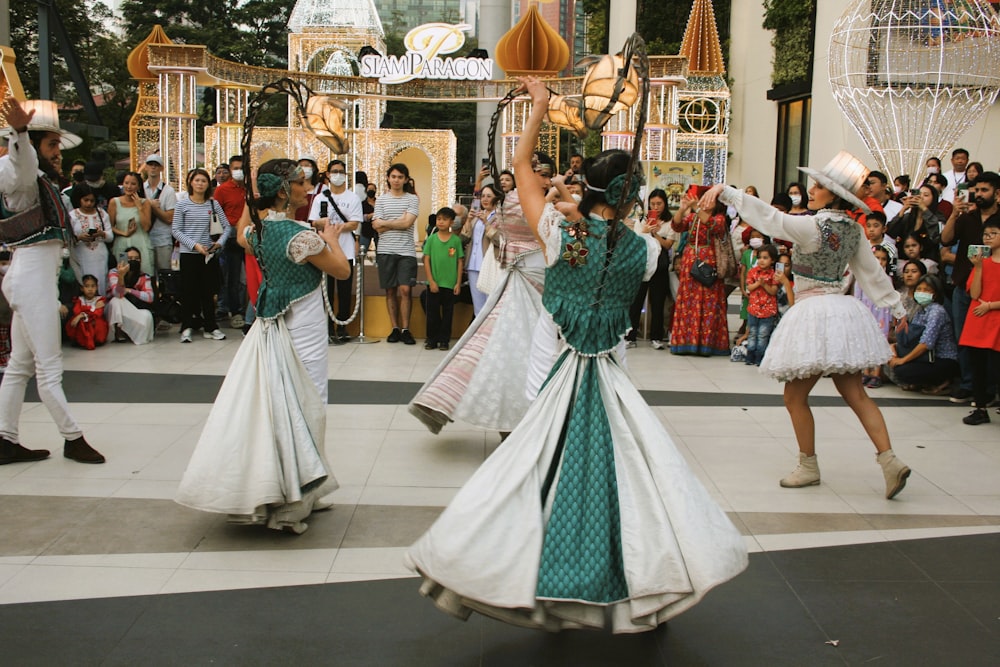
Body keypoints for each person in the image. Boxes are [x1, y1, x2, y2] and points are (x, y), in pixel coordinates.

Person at [406, 76, 747, 633]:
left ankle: (528, 573)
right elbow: (628, 241)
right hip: (611, 373)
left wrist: (539, 108)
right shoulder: (645, 254)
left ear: (587, 187)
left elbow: (520, 166)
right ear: (632, 195)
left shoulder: (561, 234)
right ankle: (631, 579)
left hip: (555, 365)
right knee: (624, 476)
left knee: (541, 467)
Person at [701, 151, 913, 499]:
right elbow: (872, 275)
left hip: (814, 314)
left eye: (818, 186)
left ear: (834, 195)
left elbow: (771, 219)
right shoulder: (856, 231)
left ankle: (808, 465)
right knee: (856, 394)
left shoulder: (812, 226)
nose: (811, 190)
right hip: (842, 314)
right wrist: (898, 309)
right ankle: (889, 460)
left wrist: (729, 192)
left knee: (794, 397)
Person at [176, 158, 350, 533]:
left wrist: (254, 207)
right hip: (302, 327)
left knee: (282, 402)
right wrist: (333, 240)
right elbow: (342, 270)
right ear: (286, 191)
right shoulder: (301, 236)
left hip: (272, 323)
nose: (308, 188)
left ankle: (305, 487)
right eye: (302, 183)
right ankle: (295, 499)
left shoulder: (258, 232)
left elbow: (241, 237)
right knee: (309, 402)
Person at [408, 158, 549, 435]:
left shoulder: (527, 205)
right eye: (540, 175)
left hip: (532, 285)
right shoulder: (525, 206)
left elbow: (510, 242)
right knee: (506, 350)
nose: (544, 180)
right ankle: (514, 422)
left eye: (546, 175)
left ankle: (520, 421)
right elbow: (507, 242)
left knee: (498, 347)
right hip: (520, 285)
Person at [0, 97, 104, 465]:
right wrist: (21, 133)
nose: (57, 153)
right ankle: (72, 437)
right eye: (52, 145)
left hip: (29, 277)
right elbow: (21, 164)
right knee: (48, 368)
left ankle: (5, 438)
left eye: (58, 146)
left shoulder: (40, 181)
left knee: (20, 367)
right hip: (31, 279)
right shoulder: (19, 176)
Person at [940, 171, 1000, 404]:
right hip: (965, 284)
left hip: (994, 290)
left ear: (997, 194)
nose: (979, 194)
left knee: (994, 344)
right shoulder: (967, 217)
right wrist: (955, 214)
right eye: (977, 190)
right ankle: (968, 385)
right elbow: (945, 240)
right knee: (964, 338)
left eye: (985, 190)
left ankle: (989, 389)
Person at [172, 168, 230, 342]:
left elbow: (227, 227)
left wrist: (219, 243)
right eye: (197, 180)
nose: (200, 184)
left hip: (209, 255)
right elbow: (175, 230)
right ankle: (187, 326)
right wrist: (194, 245)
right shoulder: (182, 204)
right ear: (191, 182)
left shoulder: (213, 204)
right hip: (189, 254)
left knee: (209, 292)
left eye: (203, 181)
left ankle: (211, 326)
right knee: (189, 291)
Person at [669, 192, 730, 356]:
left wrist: (696, 208)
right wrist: (682, 209)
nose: (704, 203)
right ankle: (686, 342)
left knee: (708, 302)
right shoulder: (693, 217)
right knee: (688, 302)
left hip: (708, 264)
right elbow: (676, 226)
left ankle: (706, 344)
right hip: (690, 262)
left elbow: (713, 226)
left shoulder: (719, 218)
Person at [308, 159, 362, 344]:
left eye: (341, 171)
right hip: (324, 251)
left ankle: (343, 326)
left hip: (345, 251)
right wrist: (328, 225)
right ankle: (328, 327)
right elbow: (314, 222)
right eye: (334, 171)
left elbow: (355, 223)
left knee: (345, 291)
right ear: (328, 175)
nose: (337, 175)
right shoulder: (320, 197)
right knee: (326, 291)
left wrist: (333, 227)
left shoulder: (352, 198)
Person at [884, 274, 958, 393]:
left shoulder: (936, 311)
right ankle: (921, 383)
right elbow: (912, 337)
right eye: (919, 289)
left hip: (941, 359)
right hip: (925, 357)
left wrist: (903, 360)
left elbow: (926, 343)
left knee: (901, 369)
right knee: (888, 359)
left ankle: (941, 381)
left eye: (927, 290)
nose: (922, 292)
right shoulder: (920, 310)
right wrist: (894, 348)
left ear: (935, 293)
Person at [957, 222, 1000, 425]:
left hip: (994, 315)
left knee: (995, 366)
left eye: (994, 233)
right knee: (978, 366)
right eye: (985, 234)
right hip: (979, 318)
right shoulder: (981, 263)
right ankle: (980, 408)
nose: (988, 237)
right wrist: (979, 267)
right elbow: (974, 293)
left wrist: (991, 305)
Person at [372, 163, 419, 344]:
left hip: (406, 251)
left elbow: (407, 223)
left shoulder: (412, 199)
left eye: (400, 177)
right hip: (385, 250)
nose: (396, 180)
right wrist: (397, 221)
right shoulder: (381, 200)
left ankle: (406, 328)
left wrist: (386, 223)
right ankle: (395, 328)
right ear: (388, 178)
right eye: (393, 176)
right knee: (390, 290)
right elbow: (376, 226)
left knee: (405, 289)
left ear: (406, 179)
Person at [626, 189, 673, 349]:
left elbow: (668, 245)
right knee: (636, 300)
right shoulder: (641, 219)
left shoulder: (669, 222)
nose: (656, 207)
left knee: (658, 301)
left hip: (660, 264)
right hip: (643, 262)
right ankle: (630, 336)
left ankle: (656, 336)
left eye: (659, 203)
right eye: (653, 204)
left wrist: (655, 234)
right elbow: (636, 239)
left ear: (665, 204)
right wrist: (646, 230)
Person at [422, 207, 464, 350]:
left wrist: (458, 283)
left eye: (445, 219)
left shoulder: (456, 241)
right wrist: (431, 280)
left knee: (448, 314)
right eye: (439, 219)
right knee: (432, 314)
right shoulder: (432, 239)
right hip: (434, 283)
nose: (441, 222)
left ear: (452, 222)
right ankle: (431, 339)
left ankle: (444, 340)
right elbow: (426, 260)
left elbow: (459, 262)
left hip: (450, 284)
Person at [462, 184, 501, 315]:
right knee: (478, 307)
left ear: (496, 198)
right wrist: (468, 220)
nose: (485, 199)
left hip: (490, 264)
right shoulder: (477, 215)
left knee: (491, 304)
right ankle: (480, 335)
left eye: (489, 196)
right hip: (473, 264)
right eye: (483, 196)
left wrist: (486, 223)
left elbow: (499, 240)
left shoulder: (500, 216)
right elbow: (464, 238)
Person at [68, 183, 113, 295]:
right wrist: (79, 237)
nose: (89, 203)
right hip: (81, 256)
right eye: (86, 200)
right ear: (79, 199)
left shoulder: (102, 214)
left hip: (100, 255)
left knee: (101, 282)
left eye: (92, 200)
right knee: (84, 283)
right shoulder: (72, 216)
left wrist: (101, 234)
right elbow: (67, 239)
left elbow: (110, 237)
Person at [105, 247, 155, 345]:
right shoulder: (114, 272)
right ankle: (118, 332)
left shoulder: (144, 276)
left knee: (147, 315)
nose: (133, 261)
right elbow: (118, 294)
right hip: (112, 308)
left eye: (136, 258)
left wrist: (130, 291)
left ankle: (131, 333)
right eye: (130, 258)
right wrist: (121, 276)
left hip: (132, 307)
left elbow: (150, 297)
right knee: (116, 301)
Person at [109, 172, 154, 276]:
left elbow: (146, 227)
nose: (129, 187)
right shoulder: (114, 202)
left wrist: (139, 207)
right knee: (123, 275)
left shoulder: (145, 203)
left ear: (138, 186)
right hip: (122, 244)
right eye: (126, 183)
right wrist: (123, 233)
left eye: (133, 184)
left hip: (141, 243)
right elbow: (109, 227)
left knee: (143, 276)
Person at [141, 154, 177, 277]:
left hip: (162, 238)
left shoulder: (168, 191)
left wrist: (152, 207)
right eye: (150, 165)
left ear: (161, 168)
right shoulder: (140, 189)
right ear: (146, 167)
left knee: (164, 274)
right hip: (144, 238)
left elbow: (169, 218)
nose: (153, 168)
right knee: (146, 274)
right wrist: (149, 203)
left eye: (156, 165)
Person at [745, 243, 780, 366]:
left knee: (763, 334)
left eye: (765, 258)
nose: (761, 260)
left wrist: (765, 285)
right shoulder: (752, 272)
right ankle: (750, 356)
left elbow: (773, 291)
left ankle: (760, 357)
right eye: (759, 257)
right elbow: (749, 287)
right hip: (753, 309)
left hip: (767, 311)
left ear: (772, 260)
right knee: (752, 332)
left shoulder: (774, 274)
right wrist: (758, 284)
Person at [64, 275, 108, 350]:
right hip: (83, 321)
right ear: (82, 288)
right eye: (87, 286)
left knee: (97, 322)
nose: (90, 289)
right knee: (77, 321)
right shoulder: (79, 300)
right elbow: (77, 311)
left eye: (93, 286)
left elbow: (97, 313)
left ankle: (94, 340)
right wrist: (91, 310)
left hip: (94, 323)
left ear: (96, 287)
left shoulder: (99, 300)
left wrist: (83, 314)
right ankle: (81, 340)